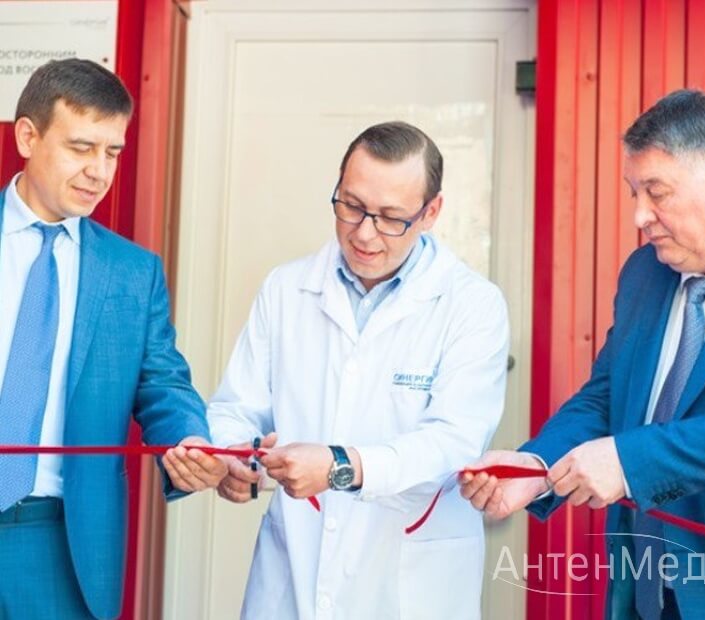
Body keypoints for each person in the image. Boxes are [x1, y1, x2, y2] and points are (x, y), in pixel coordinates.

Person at [207, 121, 510, 620]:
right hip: (293, 572)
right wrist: (235, 459)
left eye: (391, 218)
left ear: (431, 212)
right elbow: (237, 409)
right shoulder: (286, 289)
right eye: (351, 206)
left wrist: (341, 466)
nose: (364, 233)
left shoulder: (473, 305)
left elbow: (454, 441)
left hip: (412, 587)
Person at [460, 89, 705, 619]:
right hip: (643, 591)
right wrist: (537, 466)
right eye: (635, 192)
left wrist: (629, 462)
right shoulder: (644, 274)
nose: (640, 215)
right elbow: (607, 395)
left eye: (657, 192)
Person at [0, 59, 227, 619]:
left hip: (56, 542)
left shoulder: (132, 272)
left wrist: (190, 438)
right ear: (27, 137)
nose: (99, 172)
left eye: (113, 152)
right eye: (81, 147)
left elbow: (162, 383)